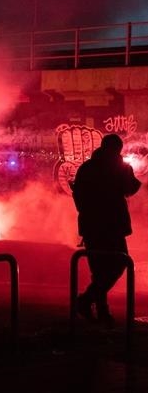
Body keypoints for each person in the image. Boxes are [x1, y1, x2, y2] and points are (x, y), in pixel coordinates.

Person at [72, 133, 142, 327]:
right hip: (112, 225)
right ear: (117, 149)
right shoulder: (118, 167)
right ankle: (87, 301)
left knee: (99, 270)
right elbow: (130, 188)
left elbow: (78, 197)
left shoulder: (86, 168)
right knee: (119, 264)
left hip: (91, 226)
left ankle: (100, 310)